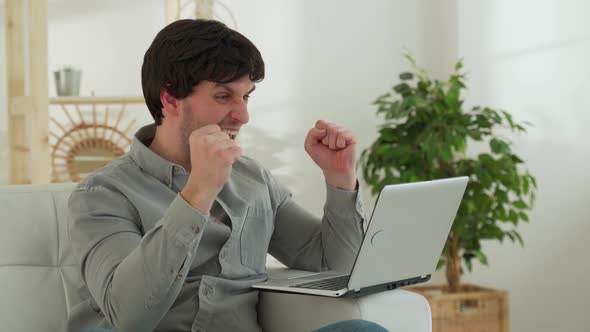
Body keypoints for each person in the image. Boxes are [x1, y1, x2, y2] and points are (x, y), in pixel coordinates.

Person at [67, 19, 387, 332]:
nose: (243, 116)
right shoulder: (102, 194)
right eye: (223, 97)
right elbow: (128, 317)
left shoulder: (253, 179)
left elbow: (339, 266)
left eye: (246, 96)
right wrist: (198, 194)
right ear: (170, 98)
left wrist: (340, 178)